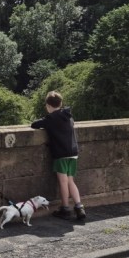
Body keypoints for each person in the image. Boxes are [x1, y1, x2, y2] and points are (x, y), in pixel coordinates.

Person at [30, 90, 86, 221]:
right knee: (71, 180)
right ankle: (79, 207)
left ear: (48, 106)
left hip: (60, 154)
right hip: (73, 152)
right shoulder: (68, 116)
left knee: (63, 181)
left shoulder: (51, 118)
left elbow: (35, 124)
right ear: (60, 103)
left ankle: (65, 208)